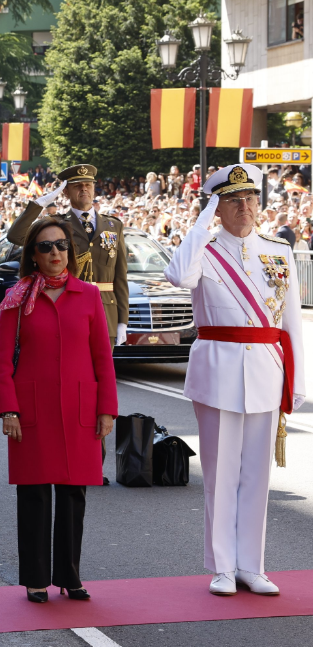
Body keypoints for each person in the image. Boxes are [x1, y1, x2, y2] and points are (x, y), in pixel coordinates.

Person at [165, 164, 305, 596]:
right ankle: (222, 566)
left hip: (265, 367)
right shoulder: (202, 251)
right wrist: (202, 223)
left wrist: (297, 381)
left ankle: (252, 565)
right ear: (216, 207)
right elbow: (177, 276)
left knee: (256, 475)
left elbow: (293, 321)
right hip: (218, 369)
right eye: (231, 200)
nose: (244, 207)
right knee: (221, 473)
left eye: (250, 199)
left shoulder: (277, 250)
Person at [0, 217, 117, 603]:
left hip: (79, 409)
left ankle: (69, 576)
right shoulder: (17, 297)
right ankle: (34, 578)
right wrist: (8, 410)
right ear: (32, 254)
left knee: (72, 496)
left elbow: (102, 357)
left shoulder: (89, 295)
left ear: (71, 251)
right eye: (45, 247)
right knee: (33, 496)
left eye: (61, 245)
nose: (55, 253)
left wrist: (107, 409)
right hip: (31, 411)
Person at [8, 164, 129, 345]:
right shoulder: (57, 225)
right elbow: (16, 236)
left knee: (102, 372)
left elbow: (120, 276)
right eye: (77, 186)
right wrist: (41, 203)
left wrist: (122, 321)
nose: (84, 189)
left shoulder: (114, 226)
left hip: (106, 311)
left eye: (88, 185)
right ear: (65, 192)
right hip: (69, 307)